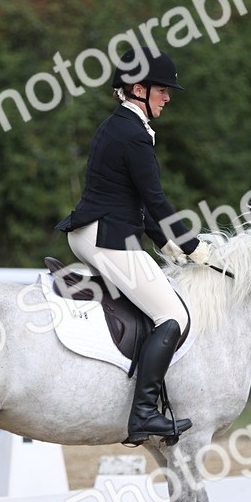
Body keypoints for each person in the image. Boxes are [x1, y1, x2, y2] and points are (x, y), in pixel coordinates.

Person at [55, 47, 212, 444]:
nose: (168, 97)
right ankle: (143, 413)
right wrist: (191, 245)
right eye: (162, 90)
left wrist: (165, 244)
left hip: (99, 232)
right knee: (172, 316)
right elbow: (156, 200)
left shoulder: (120, 126)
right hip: (108, 240)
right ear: (138, 89)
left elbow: (137, 202)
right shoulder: (134, 134)